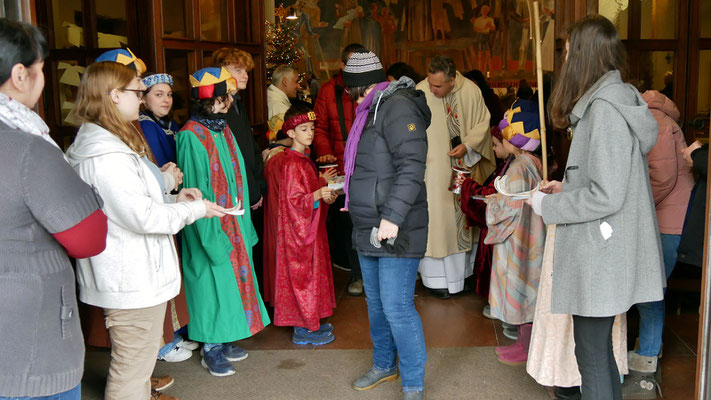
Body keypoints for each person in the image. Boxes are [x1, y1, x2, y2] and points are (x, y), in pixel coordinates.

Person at [66, 61, 224, 400]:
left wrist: (173, 197)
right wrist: (194, 208)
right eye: (138, 92)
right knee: (131, 369)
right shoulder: (104, 155)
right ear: (113, 95)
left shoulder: (112, 141)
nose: (141, 100)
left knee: (137, 364)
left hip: (134, 273)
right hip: (128, 278)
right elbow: (143, 217)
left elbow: (134, 202)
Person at [528, 15, 665, 399]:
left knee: (591, 355)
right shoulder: (613, 102)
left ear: (584, 54)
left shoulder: (605, 110)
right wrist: (567, 186)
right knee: (596, 352)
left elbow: (606, 195)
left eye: (569, 49)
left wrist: (545, 205)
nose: (565, 56)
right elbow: (607, 180)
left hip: (600, 251)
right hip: (607, 248)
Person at [0, 18, 107, 400]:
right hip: (23, 343)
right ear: (20, 75)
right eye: (42, 69)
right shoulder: (27, 148)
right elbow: (88, 237)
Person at [343, 50, 430, 400]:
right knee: (376, 304)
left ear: (360, 87)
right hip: (367, 223)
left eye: (354, 92)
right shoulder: (372, 108)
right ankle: (384, 364)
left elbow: (411, 166)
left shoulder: (397, 106)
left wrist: (392, 217)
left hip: (396, 225)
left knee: (396, 307)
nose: (353, 99)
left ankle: (413, 383)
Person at [177, 67, 270, 377]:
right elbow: (195, 189)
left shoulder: (222, 128)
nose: (231, 99)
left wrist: (243, 223)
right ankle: (211, 347)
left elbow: (239, 175)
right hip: (209, 225)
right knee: (209, 283)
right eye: (227, 95)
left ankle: (226, 336)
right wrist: (209, 234)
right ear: (215, 99)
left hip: (232, 220)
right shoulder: (191, 135)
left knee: (231, 283)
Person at [619, 90, 694, 398]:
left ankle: (648, 354)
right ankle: (649, 346)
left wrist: (629, 203)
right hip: (667, 218)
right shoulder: (661, 118)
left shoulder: (655, 122)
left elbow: (661, 178)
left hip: (666, 221)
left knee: (651, 289)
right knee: (652, 286)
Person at [415, 55, 495, 298]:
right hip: (432, 173)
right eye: (430, 83)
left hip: (463, 169)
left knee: (461, 221)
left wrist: (469, 146)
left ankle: (463, 276)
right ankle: (434, 279)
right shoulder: (420, 92)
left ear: (452, 80)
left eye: (438, 86)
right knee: (437, 224)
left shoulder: (470, 91)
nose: (432, 89)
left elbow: (483, 124)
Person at [481, 100, 545, 365]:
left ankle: (526, 347)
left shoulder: (518, 166)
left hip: (518, 237)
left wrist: (491, 202)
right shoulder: (534, 162)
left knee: (520, 288)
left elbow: (508, 207)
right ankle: (523, 344)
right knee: (529, 288)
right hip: (532, 234)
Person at [274, 104, 338, 345]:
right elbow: (293, 202)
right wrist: (319, 194)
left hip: (311, 229)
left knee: (313, 274)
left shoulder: (304, 159)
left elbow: (307, 193)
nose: (309, 133)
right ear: (291, 133)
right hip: (299, 235)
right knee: (304, 277)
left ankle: (313, 321)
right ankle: (304, 329)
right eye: (303, 129)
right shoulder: (292, 163)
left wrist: (322, 190)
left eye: (311, 128)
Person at [313, 42, 365, 296]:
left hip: (369, 165)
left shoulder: (372, 88)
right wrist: (324, 150)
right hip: (341, 165)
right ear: (342, 65)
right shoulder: (327, 91)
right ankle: (357, 275)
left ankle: (375, 275)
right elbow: (320, 127)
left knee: (371, 219)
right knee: (348, 223)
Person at [213, 48, 267, 211]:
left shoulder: (237, 104)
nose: (245, 75)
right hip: (236, 192)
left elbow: (249, 147)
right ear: (222, 72)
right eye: (238, 70)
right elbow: (234, 156)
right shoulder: (220, 109)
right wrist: (252, 192)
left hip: (249, 186)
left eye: (246, 71)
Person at [139, 73, 180, 168]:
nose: (167, 100)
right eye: (159, 94)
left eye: (169, 95)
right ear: (143, 98)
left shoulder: (171, 123)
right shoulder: (146, 126)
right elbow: (160, 166)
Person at [267, 65, 300, 141]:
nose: (298, 86)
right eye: (296, 82)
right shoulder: (278, 105)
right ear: (285, 82)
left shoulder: (272, 97)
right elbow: (284, 139)